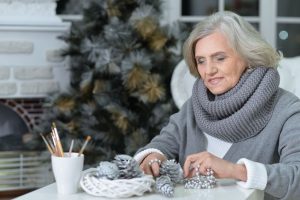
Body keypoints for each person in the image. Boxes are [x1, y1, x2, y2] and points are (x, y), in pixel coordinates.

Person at [134, 11, 300, 200]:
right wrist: (153, 156)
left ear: (248, 56)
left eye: (220, 58)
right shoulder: (195, 105)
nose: (209, 71)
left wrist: (236, 171)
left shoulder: (288, 110)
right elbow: (163, 143)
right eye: (201, 61)